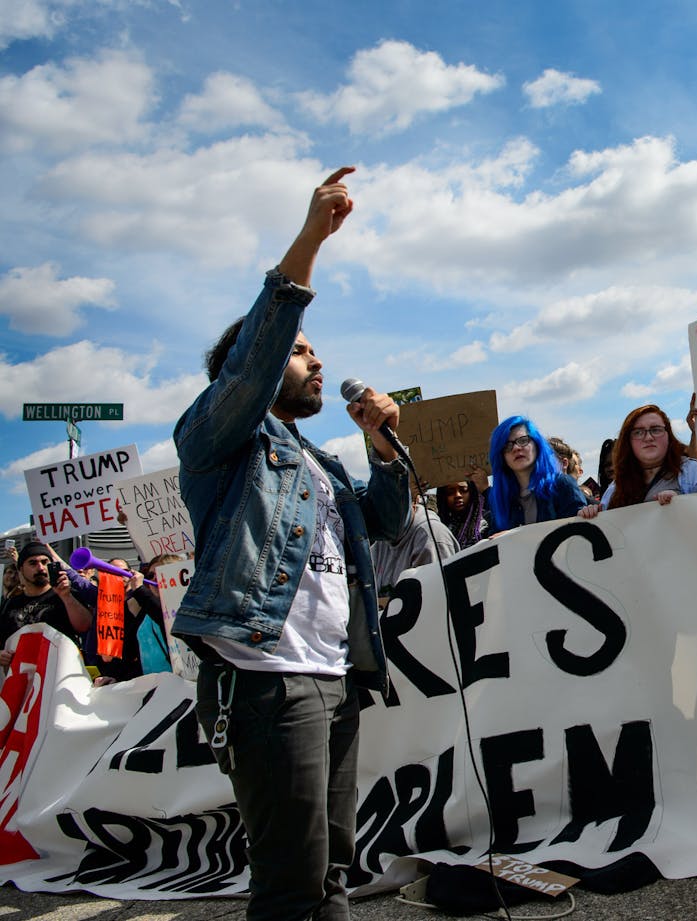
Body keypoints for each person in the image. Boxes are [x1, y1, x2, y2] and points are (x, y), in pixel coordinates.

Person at [173, 168, 411, 921]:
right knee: (292, 884)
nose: (318, 364)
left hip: (332, 677)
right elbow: (258, 353)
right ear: (257, 361)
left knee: (334, 870)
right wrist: (311, 240)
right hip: (267, 680)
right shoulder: (220, 439)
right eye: (301, 351)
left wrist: (380, 444)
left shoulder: (320, 462)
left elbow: (388, 519)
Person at [579, 405, 697, 516]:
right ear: (629, 442)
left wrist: (683, 502)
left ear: (668, 436)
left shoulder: (694, 472)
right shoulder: (615, 488)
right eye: (638, 432)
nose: (648, 437)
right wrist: (593, 515)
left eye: (656, 429)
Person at [0, 541, 95, 667]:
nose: (40, 568)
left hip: (60, 673)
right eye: (33, 563)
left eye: (45, 562)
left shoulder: (66, 593)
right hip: (22, 678)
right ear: (21, 569)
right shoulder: (10, 604)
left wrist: (66, 597)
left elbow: (85, 626)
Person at [486, 415, 587, 532]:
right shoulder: (499, 497)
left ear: (537, 444)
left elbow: (580, 531)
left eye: (523, 440)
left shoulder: (562, 484)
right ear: (501, 456)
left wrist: (588, 512)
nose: (516, 448)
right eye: (507, 446)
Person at [371, 489, 458, 599]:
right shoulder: (382, 540)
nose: (387, 514)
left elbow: (435, 598)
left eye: (394, 505)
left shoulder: (431, 537)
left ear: (415, 501)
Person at [436, 472, 491, 550]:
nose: (457, 495)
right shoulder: (442, 527)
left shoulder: (488, 519)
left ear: (472, 492)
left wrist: (486, 490)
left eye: (463, 490)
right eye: (450, 492)